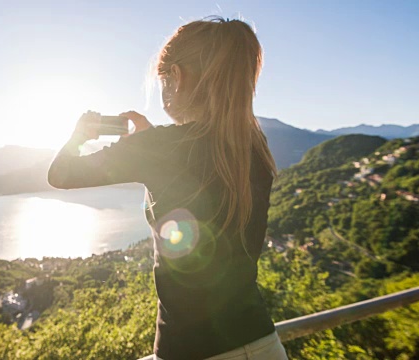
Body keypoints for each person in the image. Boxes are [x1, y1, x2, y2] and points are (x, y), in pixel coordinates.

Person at [47, 16, 287, 360]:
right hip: (265, 344)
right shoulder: (253, 146)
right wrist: (150, 143)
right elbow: (193, 159)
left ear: (176, 76)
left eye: (163, 80)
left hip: (191, 350)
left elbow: (61, 173)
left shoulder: (162, 147)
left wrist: (79, 134)